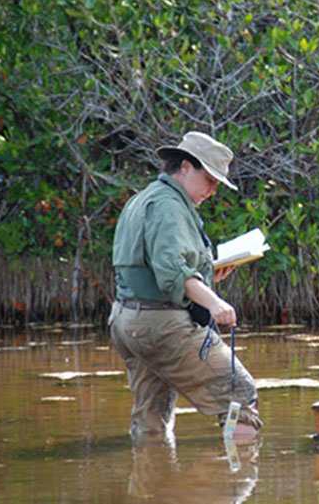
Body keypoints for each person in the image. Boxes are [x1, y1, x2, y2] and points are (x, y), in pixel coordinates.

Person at [109, 131, 262, 443]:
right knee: (239, 393)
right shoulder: (168, 206)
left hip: (127, 322)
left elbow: (151, 266)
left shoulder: (144, 198)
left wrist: (210, 275)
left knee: (151, 420)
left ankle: (155, 484)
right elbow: (173, 274)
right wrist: (215, 303)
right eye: (211, 179)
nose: (214, 190)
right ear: (186, 167)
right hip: (160, 325)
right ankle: (241, 475)